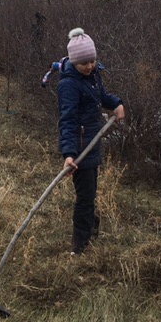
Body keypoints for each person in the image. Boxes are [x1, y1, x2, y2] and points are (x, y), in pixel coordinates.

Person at [57, 28, 125, 255]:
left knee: (89, 191)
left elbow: (100, 96)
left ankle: (91, 226)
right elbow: (67, 121)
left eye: (92, 61)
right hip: (80, 148)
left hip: (92, 141)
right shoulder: (68, 84)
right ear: (74, 61)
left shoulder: (93, 74)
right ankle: (80, 245)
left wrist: (116, 103)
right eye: (84, 63)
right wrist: (69, 153)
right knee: (85, 197)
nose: (89, 66)